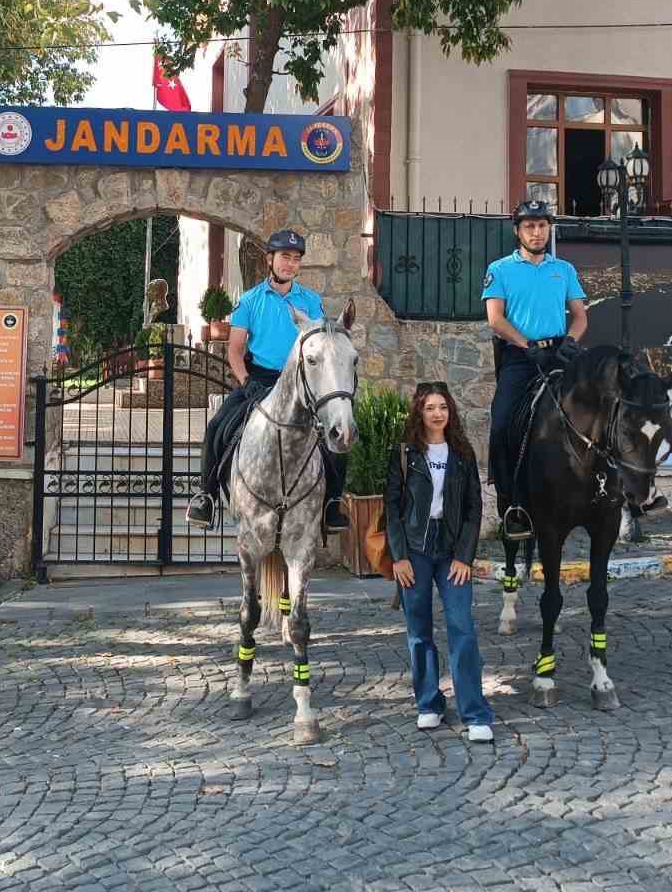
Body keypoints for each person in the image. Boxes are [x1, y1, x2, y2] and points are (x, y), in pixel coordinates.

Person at [186, 229, 350, 532]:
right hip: (259, 379)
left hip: (301, 382)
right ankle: (205, 496)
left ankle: (332, 505)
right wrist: (246, 381)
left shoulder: (310, 301)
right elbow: (235, 351)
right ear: (270, 259)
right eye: (285, 257)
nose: (290, 264)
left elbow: (319, 346)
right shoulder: (249, 301)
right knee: (217, 427)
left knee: (336, 433)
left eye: (296, 259)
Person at [385, 382, 495, 743]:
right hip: (414, 551)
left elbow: (473, 509)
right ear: (419, 411)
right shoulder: (404, 453)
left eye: (443, 407)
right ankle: (429, 704)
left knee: (462, 627)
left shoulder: (462, 453)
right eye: (430, 407)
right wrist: (399, 557)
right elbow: (392, 508)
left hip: (450, 553)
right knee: (419, 633)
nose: (437, 413)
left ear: (451, 412)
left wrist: (465, 556)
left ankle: (475, 713)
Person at [482, 201, 589, 540]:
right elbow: (495, 319)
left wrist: (571, 341)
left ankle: (626, 495)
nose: (537, 232)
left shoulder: (565, 269)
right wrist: (526, 345)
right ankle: (510, 504)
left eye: (542, 226)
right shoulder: (499, 269)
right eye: (529, 226)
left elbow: (580, 316)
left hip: (560, 353)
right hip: (520, 356)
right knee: (501, 423)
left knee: (604, 406)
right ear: (517, 231)